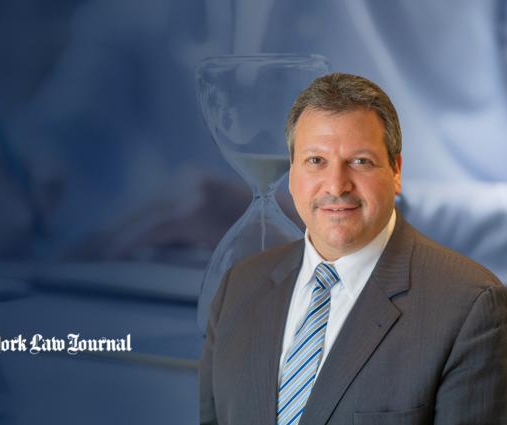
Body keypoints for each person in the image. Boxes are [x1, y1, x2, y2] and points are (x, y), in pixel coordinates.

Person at [199, 73, 507, 425]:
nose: (336, 185)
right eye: (316, 161)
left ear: (396, 171)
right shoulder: (237, 287)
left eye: (360, 161)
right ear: (291, 172)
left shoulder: (470, 307)